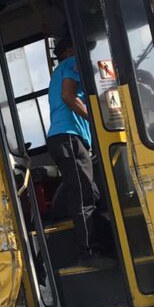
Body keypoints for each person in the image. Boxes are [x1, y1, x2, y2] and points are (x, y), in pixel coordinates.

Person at [47, 37, 107, 267]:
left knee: (92, 193)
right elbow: (68, 95)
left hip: (67, 138)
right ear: (70, 50)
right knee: (83, 196)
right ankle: (88, 254)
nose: (86, 54)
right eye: (83, 47)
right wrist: (96, 119)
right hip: (69, 137)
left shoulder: (59, 71)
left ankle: (102, 244)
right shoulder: (72, 63)